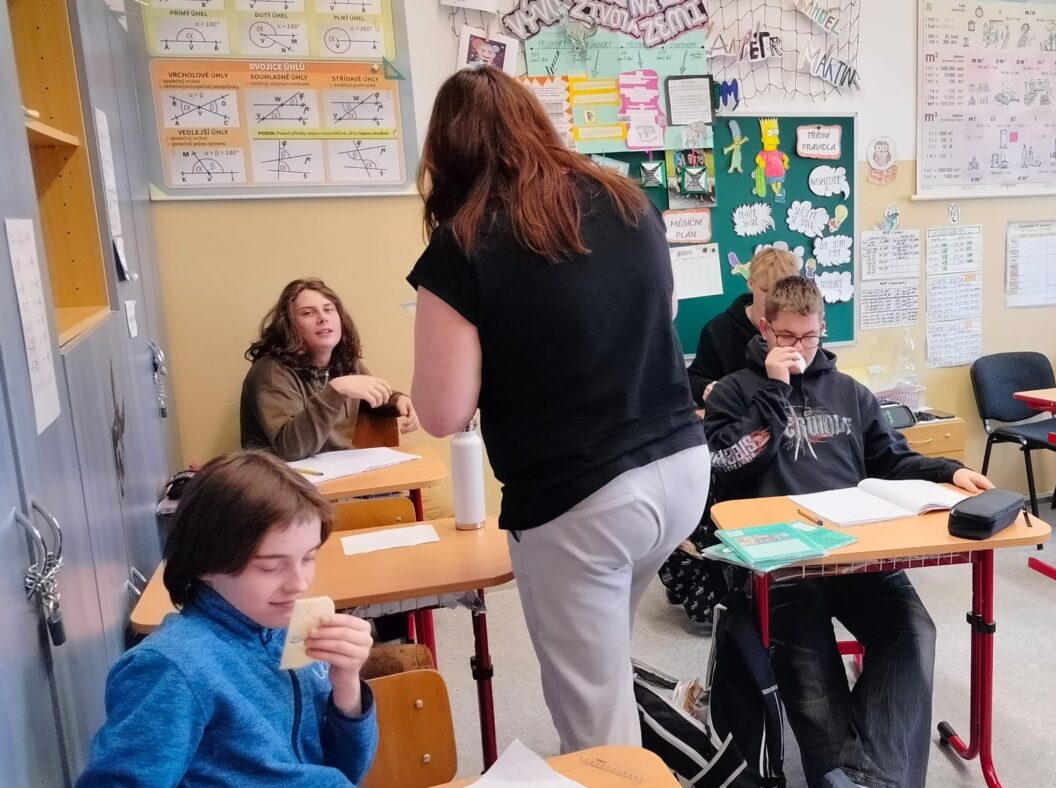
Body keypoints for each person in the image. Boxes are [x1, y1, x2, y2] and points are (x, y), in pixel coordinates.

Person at [407, 66, 709, 753]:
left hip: (582, 500)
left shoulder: (462, 242)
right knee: (605, 668)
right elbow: (661, 314)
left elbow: (443, 412)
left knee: (594, 723)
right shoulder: (629, 200)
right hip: (679, 468)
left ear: (446, 153)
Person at [704, 276, 993, 788]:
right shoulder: (734, 391)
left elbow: (891, 459)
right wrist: (775, 390)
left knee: (912, 632)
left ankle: (863, 778)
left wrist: (948, 472)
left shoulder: (851, 394)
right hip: (784, 566)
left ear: (823, 328)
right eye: (787, 337)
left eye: (809, 337)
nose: (799, 348)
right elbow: (728, 463)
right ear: (765, 329)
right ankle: (855, 776)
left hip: (857, 552)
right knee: (809, 664)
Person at [77, 450, 378, 786]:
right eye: (270, 567)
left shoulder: (288, 633)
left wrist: (346, 687)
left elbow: (348, 770)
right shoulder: (171, 669)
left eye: (308, 558)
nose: (300, 583)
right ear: (205, 563)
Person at [241, 278, 418, 461]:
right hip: (281, 476)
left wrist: (398, 400)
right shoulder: (270, 372)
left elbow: (371, 396)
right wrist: (335, 391)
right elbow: (292, 449)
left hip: (339, 471)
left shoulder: (345, 362)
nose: (323, 318)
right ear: (289, 325)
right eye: (308, 313)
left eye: (328, 309)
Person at [687, 247, 800, 406]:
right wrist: (705, 388)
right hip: (739, 414)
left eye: (781, 293)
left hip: (792, 414)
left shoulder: (802, 331)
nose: (773, 300)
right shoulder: (718, 330)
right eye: (766, 290)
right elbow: (692, 379)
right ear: (750, 283)